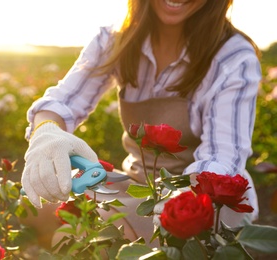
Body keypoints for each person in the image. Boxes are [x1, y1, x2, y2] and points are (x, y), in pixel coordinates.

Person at [20, 0, 262, 249]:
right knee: (34, 204)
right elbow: (63, 101)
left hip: (203, 201)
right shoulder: (117, 39)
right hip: (139, 185)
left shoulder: (232, 56)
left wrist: (175, 206)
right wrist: (47, 131)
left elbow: (222, 159)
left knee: (85, 238)